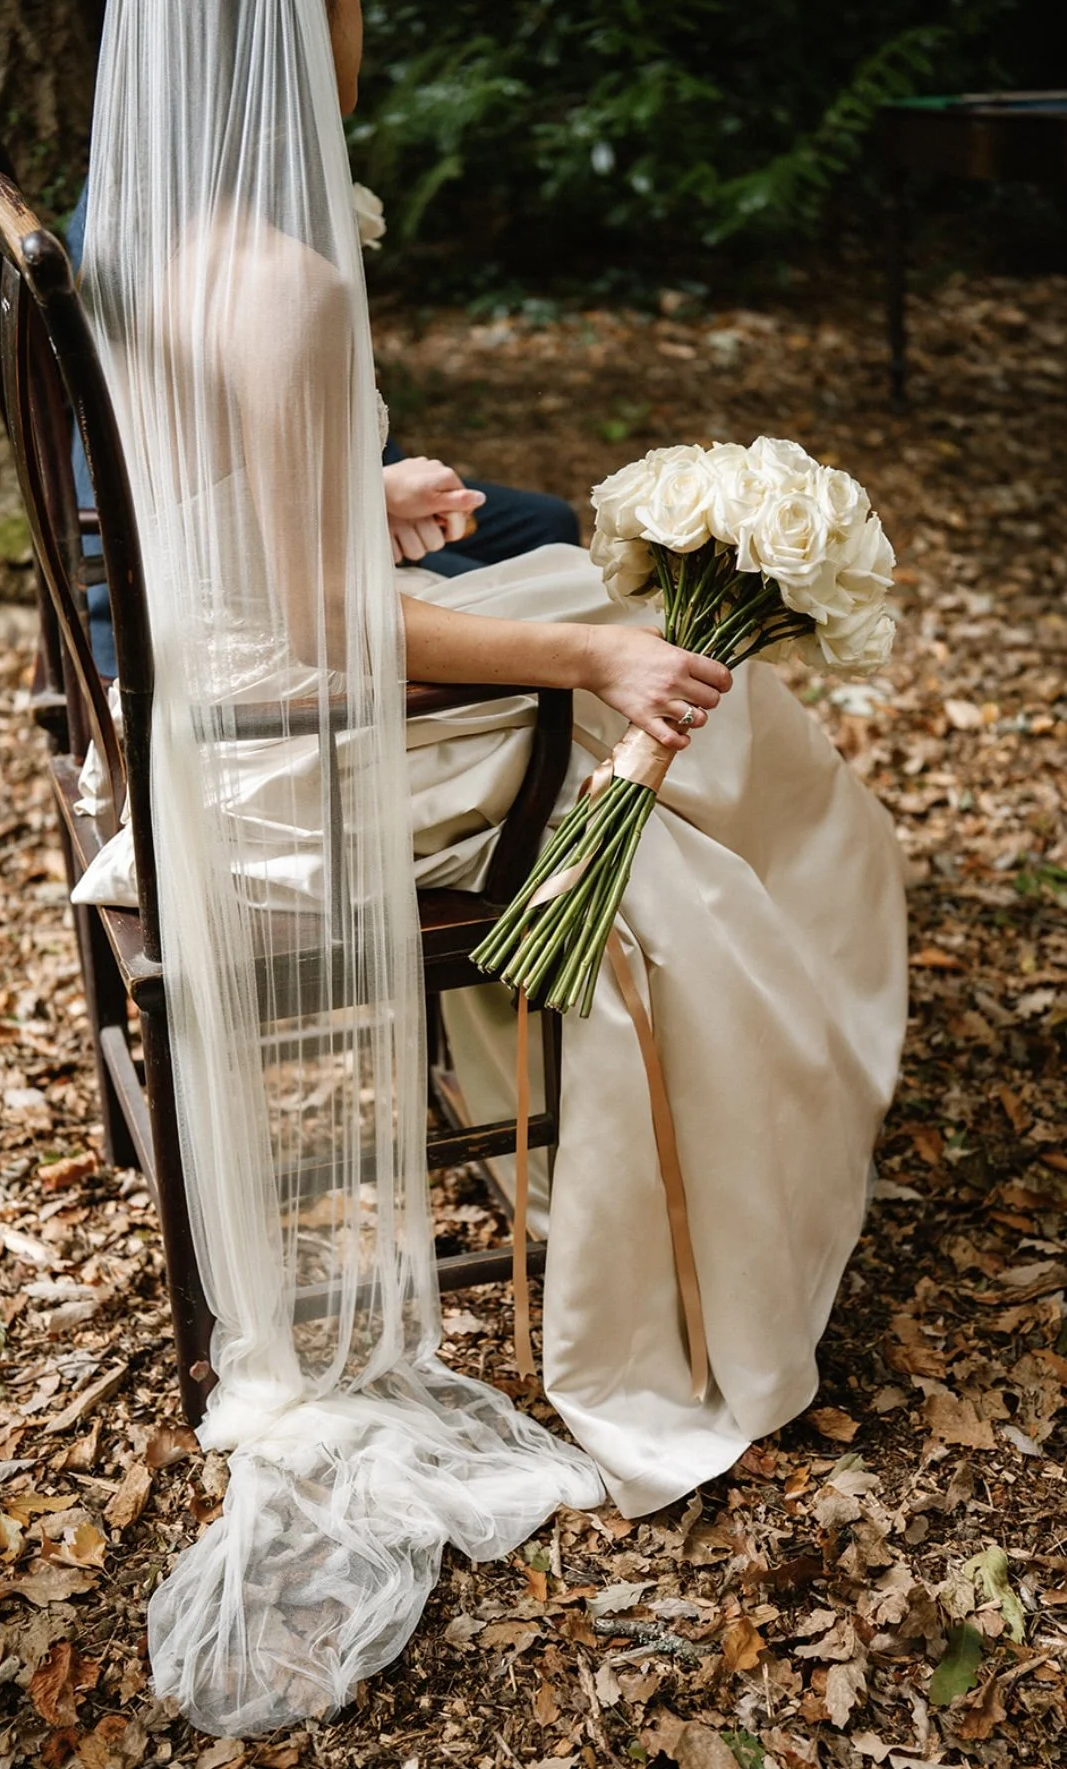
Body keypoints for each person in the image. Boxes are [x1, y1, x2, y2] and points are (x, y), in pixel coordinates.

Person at [79, 0, 907, 1735]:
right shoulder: (289, 275)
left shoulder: (137, 222)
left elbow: (215, 509)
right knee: (719, 718)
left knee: (633, 634)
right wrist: (602, 673)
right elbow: (326, 630)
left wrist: (364, 486)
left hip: (204, 712)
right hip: (296, 755)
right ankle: (703, 1218)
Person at [64, 184, 579, 678]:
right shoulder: (282, 282)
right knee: (594, 615)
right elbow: (324, 622)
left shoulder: (154, 233)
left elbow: (202, 473)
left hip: (208, 645)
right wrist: (592, 658)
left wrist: (364, 497)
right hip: (281, 691)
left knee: (563, 564)